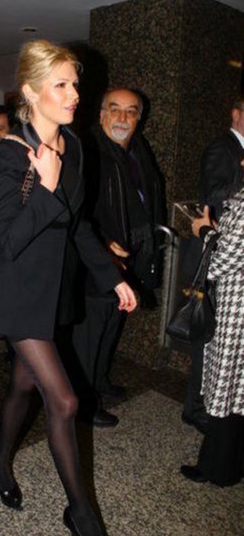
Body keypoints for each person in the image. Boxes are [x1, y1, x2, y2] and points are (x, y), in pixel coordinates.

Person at [0, 40, 136, 536]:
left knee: (23, 384)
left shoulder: (74, 146)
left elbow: (77, 224)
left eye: (75, 84)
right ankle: (82, 518)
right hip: (16, 296)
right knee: (64, 401)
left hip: (51, 293)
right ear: (31, 92)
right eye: (62, 85)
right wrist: (44, 189)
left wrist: (111, 278)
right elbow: (7, 240)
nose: (74, 95)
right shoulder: (7, 155)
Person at [73, 88, 164, 426]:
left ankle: (98, 383)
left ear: (139, 118)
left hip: (130, 256)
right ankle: (83, 403)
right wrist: (102, 241)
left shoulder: (138, 150)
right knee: (90, 335)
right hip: (96, 262)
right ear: (101, 115)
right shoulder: (88, 151)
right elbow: (75, 209)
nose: (122, 118)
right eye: (115, 109)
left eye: (130, 112)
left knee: (111, 326)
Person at [183, 98, 244, 432]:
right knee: (206, 333)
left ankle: (208, 405)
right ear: (235, 114)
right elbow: (214, 193)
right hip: (216, 253)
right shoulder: (222, 148)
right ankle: (197, 408)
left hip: (230, 257)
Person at [181, 187, 244, 487]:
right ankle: (229, 464)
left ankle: (218, 469)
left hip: (237, 309)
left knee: (227, 389)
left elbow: (222, 262)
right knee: (238, 392)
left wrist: (204, 231)